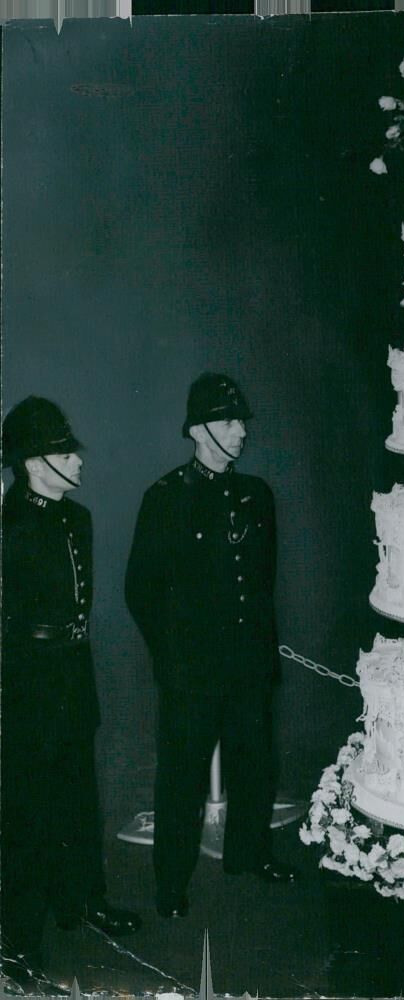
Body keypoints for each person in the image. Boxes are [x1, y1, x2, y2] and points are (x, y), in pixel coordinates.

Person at [125, 372, 297, 920]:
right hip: (192, 674)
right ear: (198, 430)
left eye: (242, 421)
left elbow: (262, 580)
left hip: (248, 667)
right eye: (228, 421)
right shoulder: (165, 498)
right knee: (182, 779)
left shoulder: (256, 495)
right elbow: (141, 590)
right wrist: (173, 660)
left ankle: (249, 856)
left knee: (256, 767)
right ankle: (170, 884)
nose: (241, 431)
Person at [1, 397, 141, 986]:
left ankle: (83, 902)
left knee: (79, 798)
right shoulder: (9, 525)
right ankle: (17, 942)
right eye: (64, 453)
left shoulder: (76, 518)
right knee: (27, 816)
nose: (78, 462)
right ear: (35, 464)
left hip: (72, 673)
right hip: (27, 681)